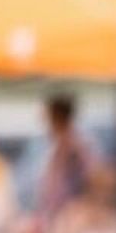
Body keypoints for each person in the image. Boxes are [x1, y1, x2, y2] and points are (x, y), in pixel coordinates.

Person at [28, 92, 104, 221]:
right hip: (56, 213)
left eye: (49, 118)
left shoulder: (76, 146)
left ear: (58, 118)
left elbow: (93, 177)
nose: (46, 124)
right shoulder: (59, 145)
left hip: (70, 214)